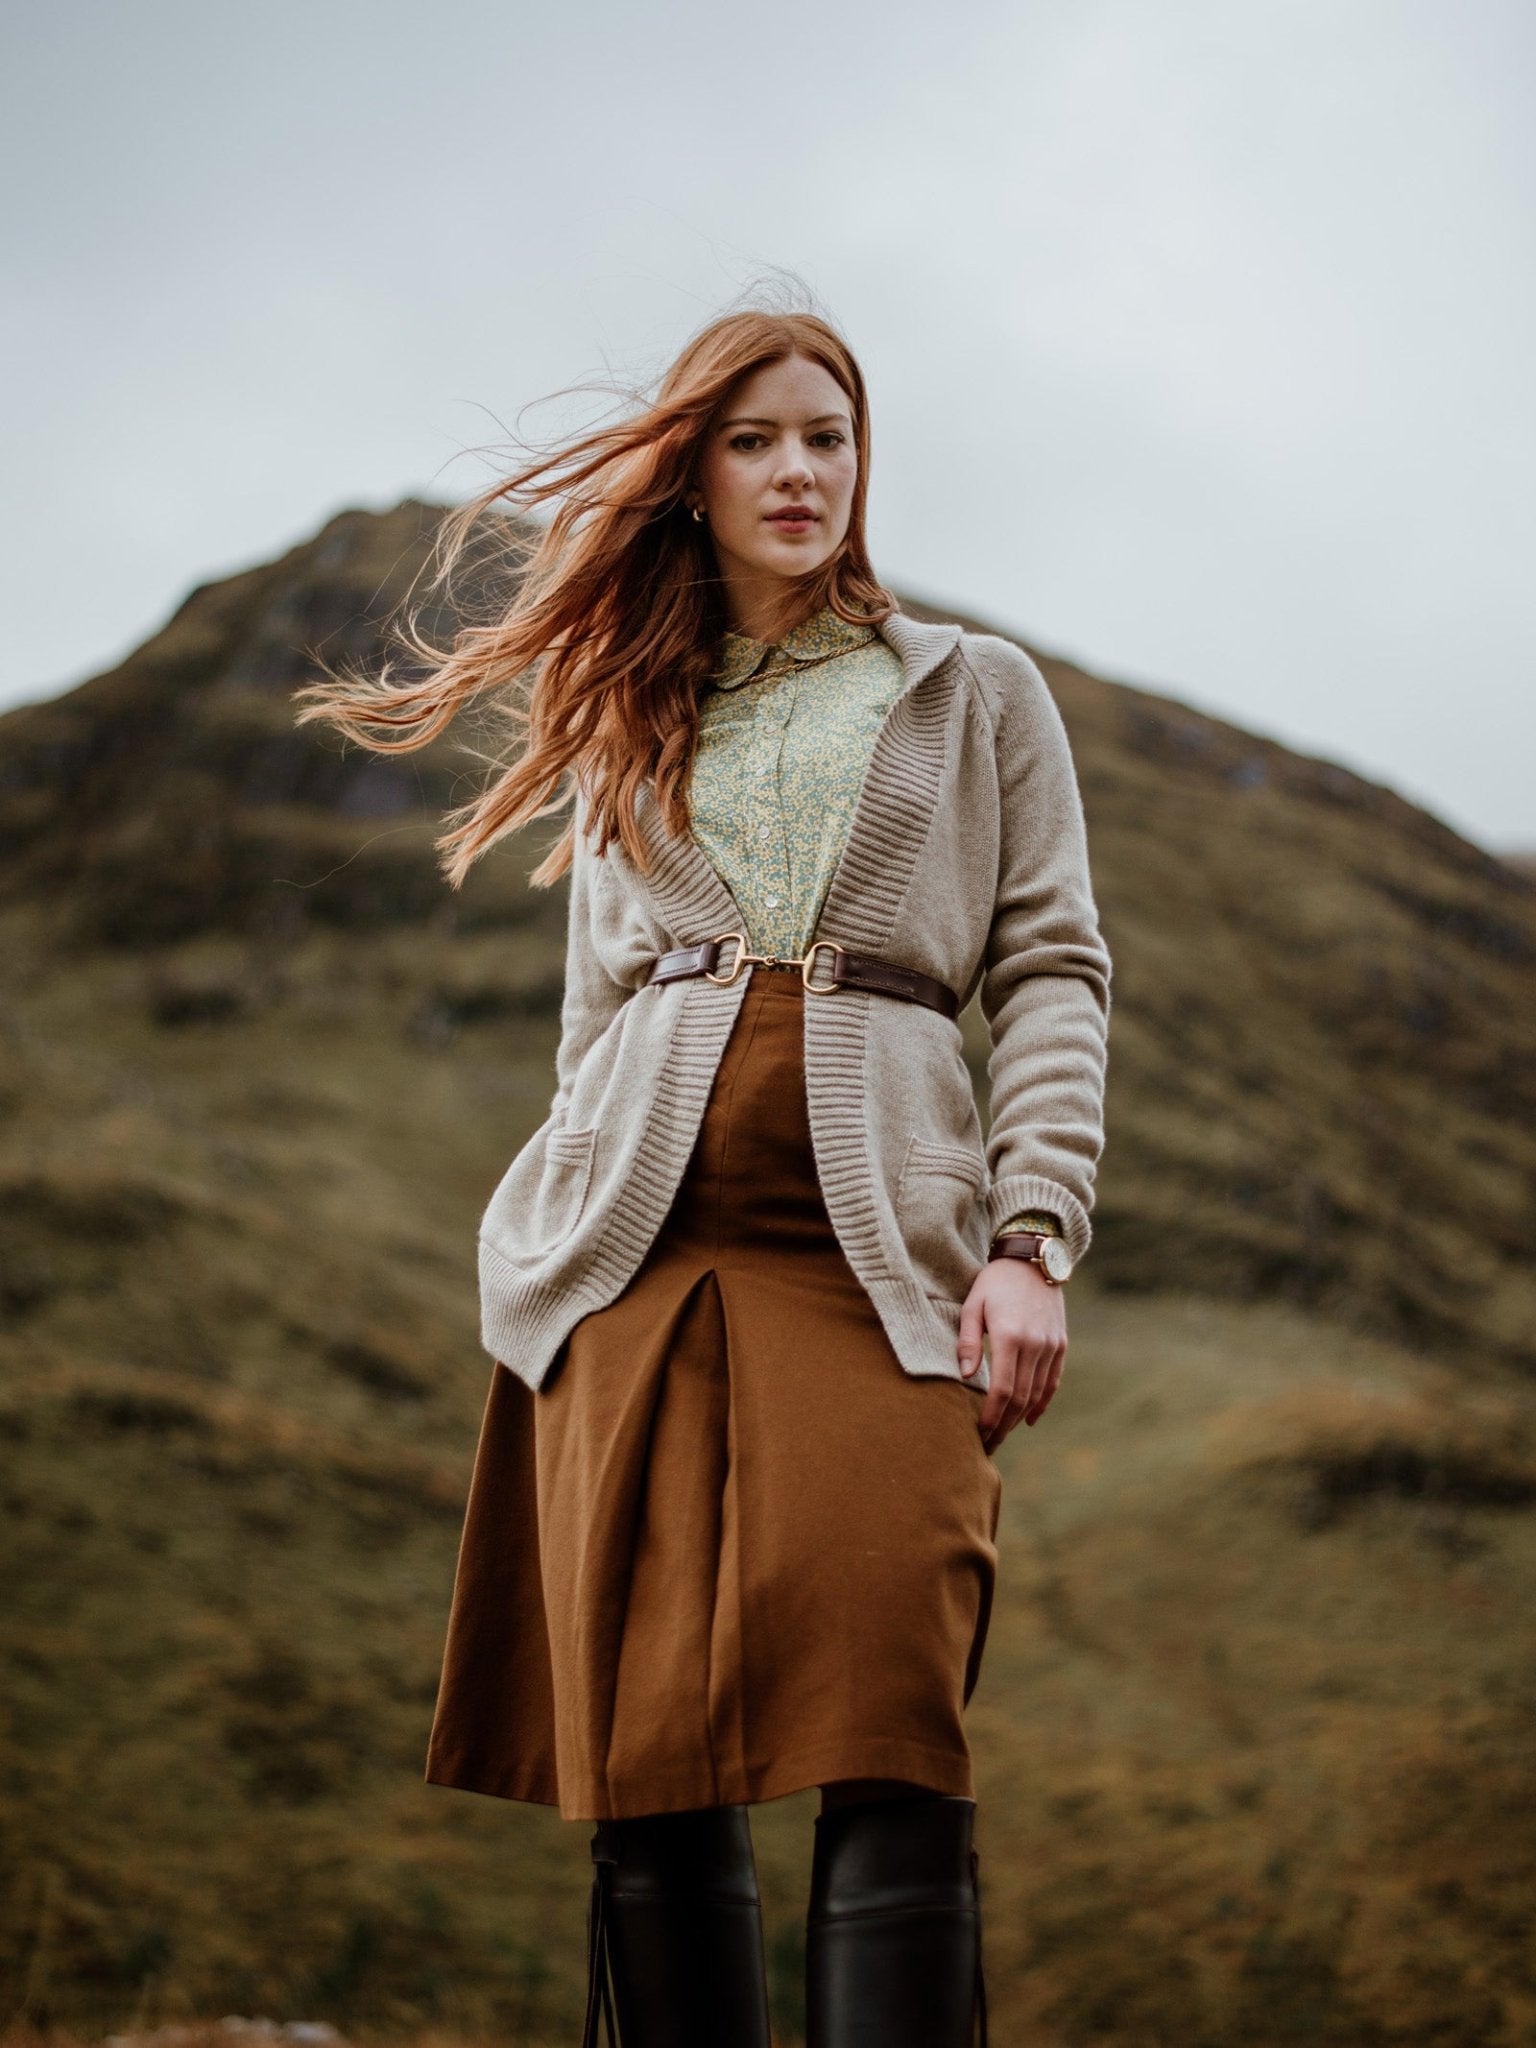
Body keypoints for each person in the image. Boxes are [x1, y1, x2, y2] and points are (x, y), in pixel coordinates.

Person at [293, 299, 1111, 2048]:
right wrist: (554, 1252)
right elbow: (597, 1017)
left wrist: (1031, 1235)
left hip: (877, 1271)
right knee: (656, 1761)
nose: (800, 469)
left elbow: (1051, 969)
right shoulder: (629, 715)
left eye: (828, 434)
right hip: (632, 1272)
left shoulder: (973, 694)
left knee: (894, 1716)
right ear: (696, 476)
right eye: (755, 440)